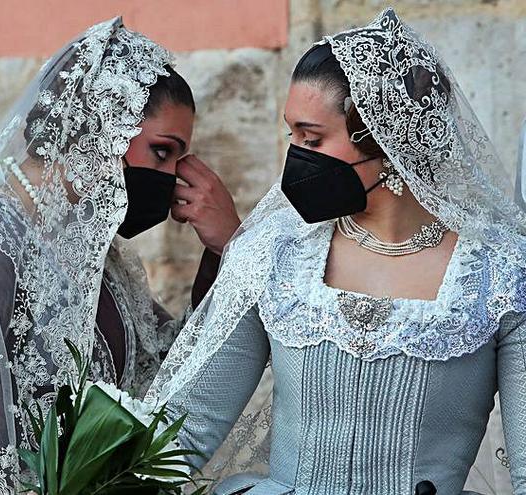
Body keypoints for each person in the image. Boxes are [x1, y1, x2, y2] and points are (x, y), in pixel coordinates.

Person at [0, 18, 237, 494]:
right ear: (99, 128)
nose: (174, 177)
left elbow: (168, 370)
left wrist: (225, 250)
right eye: (161, 153)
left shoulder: (96, 254)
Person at [148, 8, 526, 494]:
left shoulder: (500, 275)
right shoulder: (275, 255)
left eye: (312, 138)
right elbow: (183, 429)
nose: (296, 158)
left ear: (387, 141)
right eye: (294, 137)